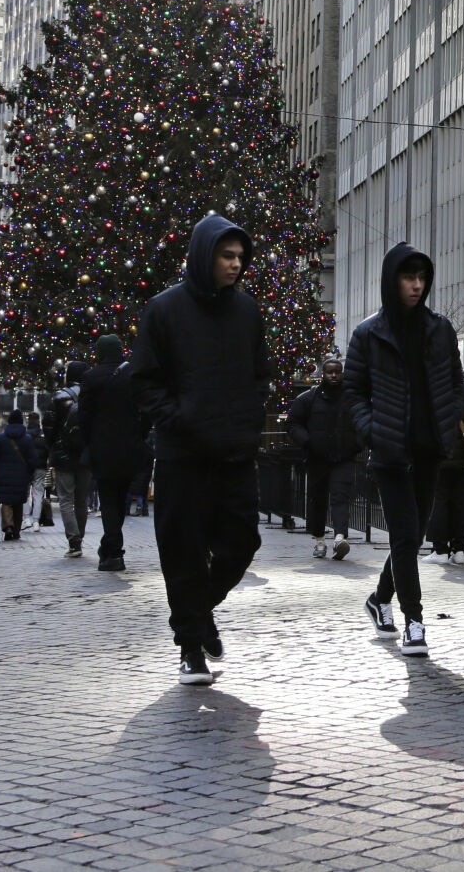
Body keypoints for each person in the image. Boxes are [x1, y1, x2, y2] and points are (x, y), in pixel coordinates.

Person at [133, 215, 271, 686]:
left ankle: (197, 613)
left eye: (240, 258)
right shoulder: (163, 310)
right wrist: (179, 419)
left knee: (242, 544)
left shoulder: (248, 311)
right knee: (184, 553)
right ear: (204, 255)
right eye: (226, 256)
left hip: (234, 454)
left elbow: (260, 374)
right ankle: (191, 646)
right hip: (182, 457)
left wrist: (250, 417)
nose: (235, 265)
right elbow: (145, 382)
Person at [343, 243, 463, 657]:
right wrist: (371, 429)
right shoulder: (368, 333)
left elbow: (455, 383)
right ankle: (415, 620)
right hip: (390, 452)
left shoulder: (441, 329)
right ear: (391, 280)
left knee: (410, 540)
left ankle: (379, 598)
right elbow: (352, 393)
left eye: (422, 278)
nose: (416, 286)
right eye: (408, 278)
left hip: (430, 449)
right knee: (405, 534)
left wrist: (450, 423)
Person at [81, 334, 151, 572]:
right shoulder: (133, 375)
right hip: (129, 446)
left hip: (103, 448)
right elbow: (148, 409)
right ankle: (111, 546)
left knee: (110, 498)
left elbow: (84, 417)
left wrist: (89, 442)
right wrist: (139, 434)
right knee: (120, 497)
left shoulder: (91, 377)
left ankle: (112, 552)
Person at [289, 357, 361, 560]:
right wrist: (308, 442)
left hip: (343, 457)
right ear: (323, 374)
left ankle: (339, 537)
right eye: (330, 372)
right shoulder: (309, 398)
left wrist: (356, 445)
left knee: (340, 497)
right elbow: (294, 423)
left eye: (337, 372)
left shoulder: (351, 399)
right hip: (317, 458)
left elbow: (362, 422)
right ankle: (320, 540)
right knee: (317, 500)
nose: (334, 375)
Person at [47, 362, 91, 557]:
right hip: (85, 456)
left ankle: (74, 541)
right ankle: (79, 537)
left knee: (66, 499)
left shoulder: (58, 397)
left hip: (64, 456)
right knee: (81, 500)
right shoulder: (92, 395)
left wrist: (54, 450)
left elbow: (49, 428)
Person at [426, 422, 464, 564]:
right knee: (461, 504)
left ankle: (440, 549)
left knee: (440, 502)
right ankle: (459, 550)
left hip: (443, 455)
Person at [0, 410, 40, 540]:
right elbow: (33, 460)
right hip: (22, 476)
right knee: (18, 502)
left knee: (6, 502)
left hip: (4, 475)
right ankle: (16, 531)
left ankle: (8, 526)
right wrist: (28, 473)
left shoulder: (1, 438)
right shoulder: (27, 439)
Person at [25, 411, 54, 527]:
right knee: (38, 494)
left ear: (28, 421)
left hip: (26, 468)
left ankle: (26, 518)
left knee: (25, 494)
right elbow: (49, 451)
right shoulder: (43, 435)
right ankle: (36, 521)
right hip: (40, 468)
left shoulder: (24, 435)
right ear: (38, 421)